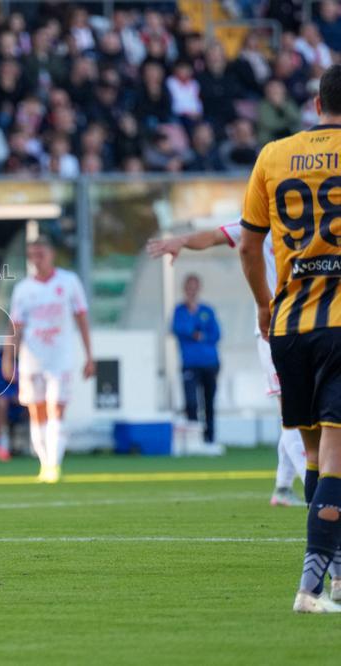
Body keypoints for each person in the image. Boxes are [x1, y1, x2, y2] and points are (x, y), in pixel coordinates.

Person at [238, 63, 341, 613]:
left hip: (288, 326)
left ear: (317, 104)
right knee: (337, 456)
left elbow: (248, 247)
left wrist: (262, 304)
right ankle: (310, 587)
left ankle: (337, 579)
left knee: (316, 458)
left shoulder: (274, 155)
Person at [147, 225, 305, 507]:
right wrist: (183, 239)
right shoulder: (263, 216)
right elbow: (216, 236)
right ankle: (318, 494)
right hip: (277, 329)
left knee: (306, 414)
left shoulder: (312, 215)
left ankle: (283, 486)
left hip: (312, 327)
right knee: (294, 414)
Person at [3, 237, 94, 483]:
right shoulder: (23, 289)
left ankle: (54, 464)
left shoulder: (69, 282)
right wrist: (8, 358)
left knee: (57, 410)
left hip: (60, 358)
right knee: (37, 412)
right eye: (33, 255)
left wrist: (89, 356)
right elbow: (15, 327)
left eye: (41, 253)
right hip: (32, 359)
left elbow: (82, 319)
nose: (37, 259)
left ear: (52, 254)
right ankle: (44, 464)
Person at [172, 274, 221, 444]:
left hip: (210, 363)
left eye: (194, 287)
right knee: (191, 403)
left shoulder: (207, 310)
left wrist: (199, 335)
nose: (192, 291)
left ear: (199, 288)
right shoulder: (179, 311)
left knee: (209, 403)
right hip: (190, 364)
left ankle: (210, 439)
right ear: (184, 289)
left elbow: (216, 334)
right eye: (189, 287)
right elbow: (180, 330)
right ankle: (194, 440)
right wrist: (195, 333)